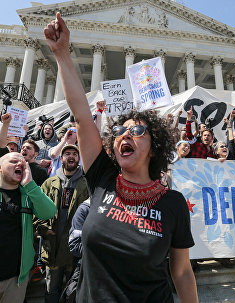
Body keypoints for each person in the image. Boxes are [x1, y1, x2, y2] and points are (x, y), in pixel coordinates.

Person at [44, 12, 198, 303]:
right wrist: (62, 54)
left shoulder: (173, 204)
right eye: (119, 131)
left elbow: (181, 272)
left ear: (154, 147)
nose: (124, 135)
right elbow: (80, 115)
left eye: (137, 130)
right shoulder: (103, 180)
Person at [0, 152, 56, 303]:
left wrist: (30, 183)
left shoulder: (28, 194)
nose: (19, 164)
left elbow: (48, 212)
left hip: (16, 279)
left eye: (23, 164)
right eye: (13, 161)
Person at [35, 145, 89, 303]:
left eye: (74, 154)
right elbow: (37, 210)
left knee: (74, 292)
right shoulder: (49, 183)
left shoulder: (86, 184)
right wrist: (43, 229)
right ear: (61, 158)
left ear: (79, 159)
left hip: (75, 252)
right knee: (51, 291)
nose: (71, 157)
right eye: (67, 154)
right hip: (53, 248)